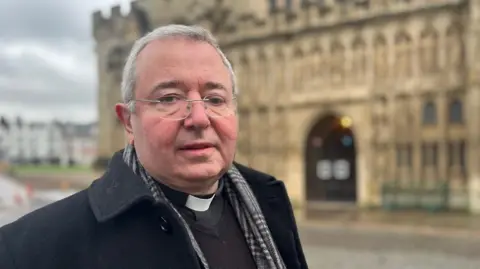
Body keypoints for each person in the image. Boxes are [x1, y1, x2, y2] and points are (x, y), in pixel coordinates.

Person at [0, 24, 308, 269]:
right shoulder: (28, 250)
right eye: (169, 99)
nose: (199, 118)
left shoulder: (270, 204)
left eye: (215, 99)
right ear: (129, 121)